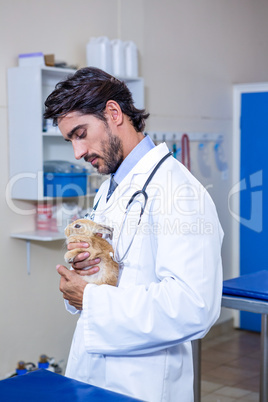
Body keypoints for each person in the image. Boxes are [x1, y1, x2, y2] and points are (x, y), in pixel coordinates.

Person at [44, 67, 223, 402]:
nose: (77, 153)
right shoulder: (110, 188)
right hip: (96, 375)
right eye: (71, 140)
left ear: (114, 113)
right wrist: (88, 274)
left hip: (146, 383)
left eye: (81, 133)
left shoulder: (179, 191)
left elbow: (194, 306)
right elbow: (126, 268)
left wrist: (91, 299)